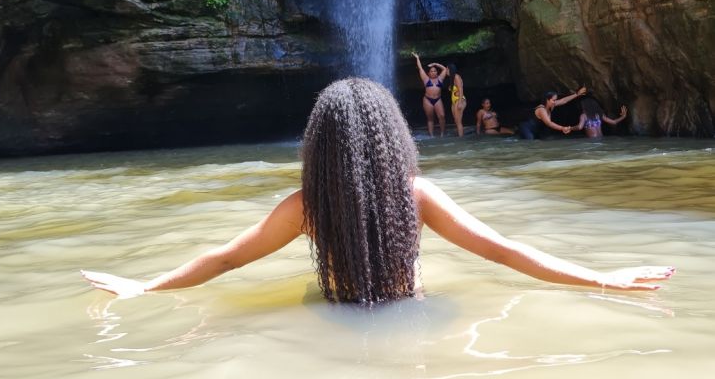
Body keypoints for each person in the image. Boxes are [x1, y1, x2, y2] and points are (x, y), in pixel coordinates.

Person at [82, 78, 674, 305]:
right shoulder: (415, 196)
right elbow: (502, 249)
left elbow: (227, 258)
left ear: (317, 146)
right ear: (394, 138)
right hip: (406, 308)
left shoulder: (308, 208)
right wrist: (601, 277)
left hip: (334, 311)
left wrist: (146, 286)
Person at [518, 87, 587, 140]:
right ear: (547, 100)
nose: (555, 102)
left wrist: (577, 94)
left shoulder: (552, 105)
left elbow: (564, 100)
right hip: (526, 128)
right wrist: (563, 128)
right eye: (553, 100)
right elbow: (549, 123)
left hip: (536, 129)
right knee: (530, 142)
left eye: (556, 100)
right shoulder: (541, 109)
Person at [413, 53, 447, 137]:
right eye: (431, 71)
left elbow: (445, 69)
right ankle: (431, 136)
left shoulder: (440, 78)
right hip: (428, 100)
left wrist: (435, 64)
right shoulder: (426, 79)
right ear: (429, 73)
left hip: (438, 100)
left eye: (435, 71)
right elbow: (420, 68)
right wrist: (417, 58)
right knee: (430, 118)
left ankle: (442, 134)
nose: (433, 72)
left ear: (437, 72)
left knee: (442, 116)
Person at [446, 63, 467, 138]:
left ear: (450, 70)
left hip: (459, 100)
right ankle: (460, 136)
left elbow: (461, 89)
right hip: (454, 101)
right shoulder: (452, 78)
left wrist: (460, 102)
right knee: (456, 121)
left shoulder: (456, 77)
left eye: (447, 69)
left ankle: (461, 138)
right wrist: (436, 64)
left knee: (458, 122)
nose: (445, 71)